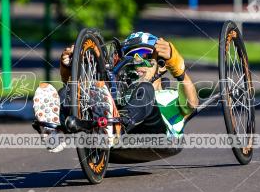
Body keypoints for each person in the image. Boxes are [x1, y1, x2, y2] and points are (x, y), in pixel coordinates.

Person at [33, 32, 199, 152]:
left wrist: (178, 68)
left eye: (143, 54)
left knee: (145, 89)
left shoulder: (171, 95)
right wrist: (71, 68)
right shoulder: (117, 91)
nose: (137, 61)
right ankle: (54, 128)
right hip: (111, 136)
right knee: (77, 90)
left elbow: (192, 104)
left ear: (161, 64)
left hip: (158, 138)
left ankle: (118, 125)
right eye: (130, 56)